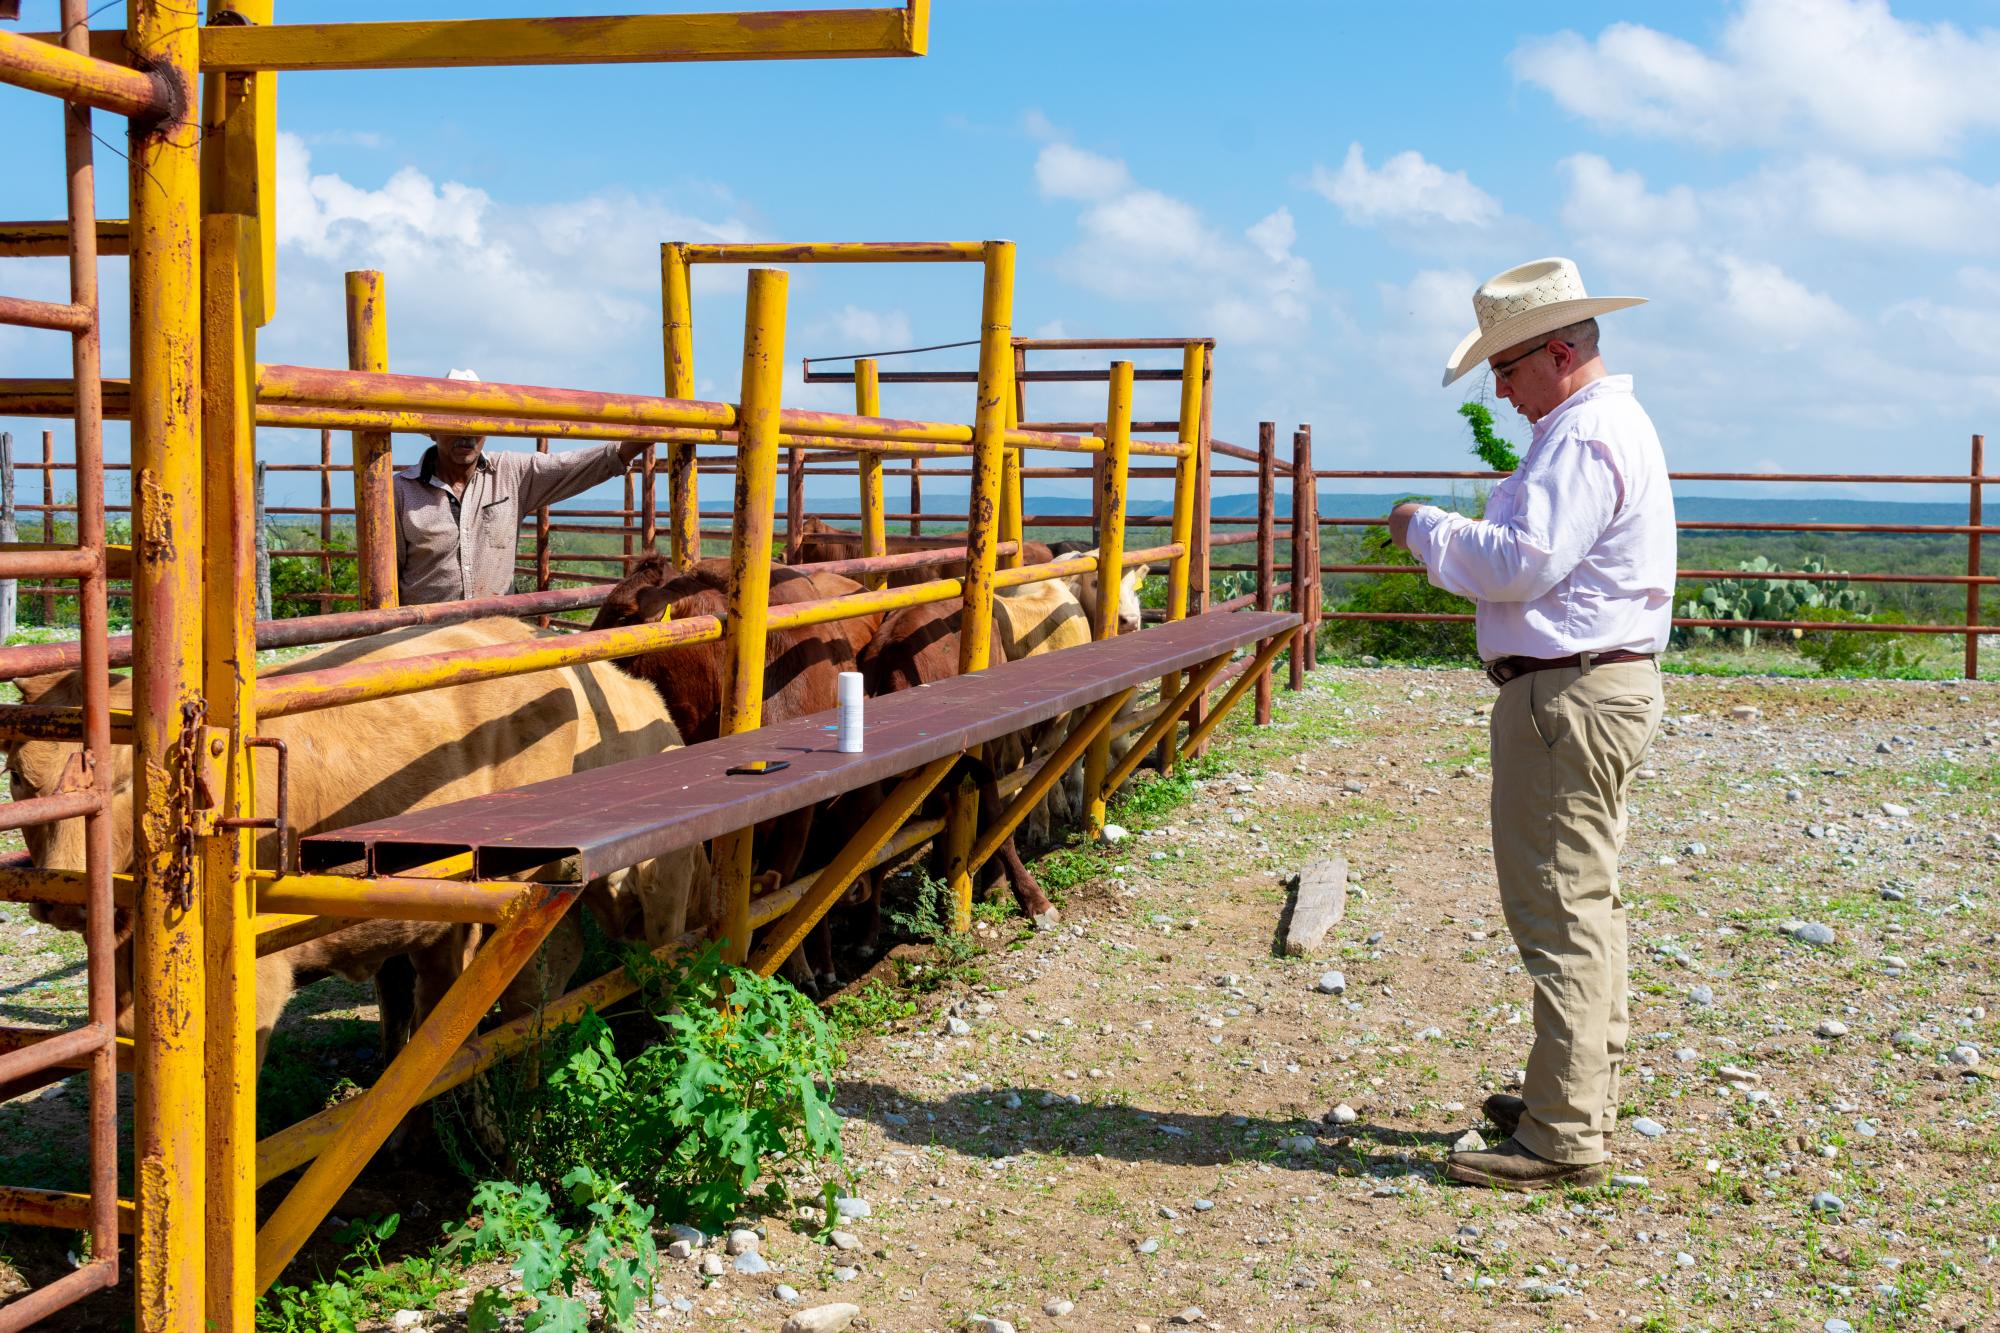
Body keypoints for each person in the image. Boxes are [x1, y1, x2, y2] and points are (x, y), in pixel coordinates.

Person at [1386, 258, 1676, 1190]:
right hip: (1587, 689)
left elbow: (1523, 562)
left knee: (1560, 907)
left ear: (1558, 351)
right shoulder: (1596, 428)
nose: (1501, 391)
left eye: (1505, 369)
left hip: (1567, 694)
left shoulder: (1585, 435)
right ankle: (1571, 1095)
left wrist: (1423, 528)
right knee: (1583, 901)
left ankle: (1562, 1131)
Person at [393, 368, 655, 605]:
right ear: (433, 429)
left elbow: (580, 465)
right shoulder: (402, 492)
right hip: (425, 641)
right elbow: (387, 577)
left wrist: (652, 426)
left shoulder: (511, 473)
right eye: (454, 421)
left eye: (477, 420)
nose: (467, 432)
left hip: (495, 634)